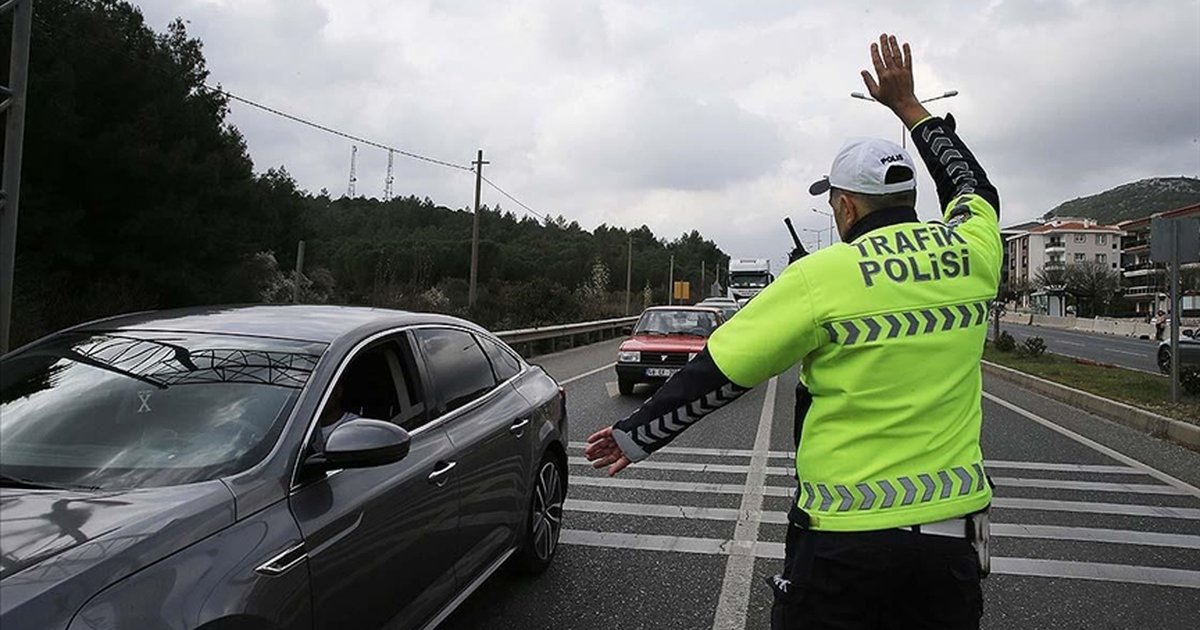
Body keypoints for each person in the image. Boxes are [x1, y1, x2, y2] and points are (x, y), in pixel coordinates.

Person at [585, 33, 1000, 629]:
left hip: (843, 547)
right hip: (951, 550)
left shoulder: (823, 277)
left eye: (835, 202)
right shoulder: (972, 253)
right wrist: (911, 108)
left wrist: (637, 435)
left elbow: (721, 371)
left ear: (847, 209)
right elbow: (973, 187)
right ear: (909, 196)